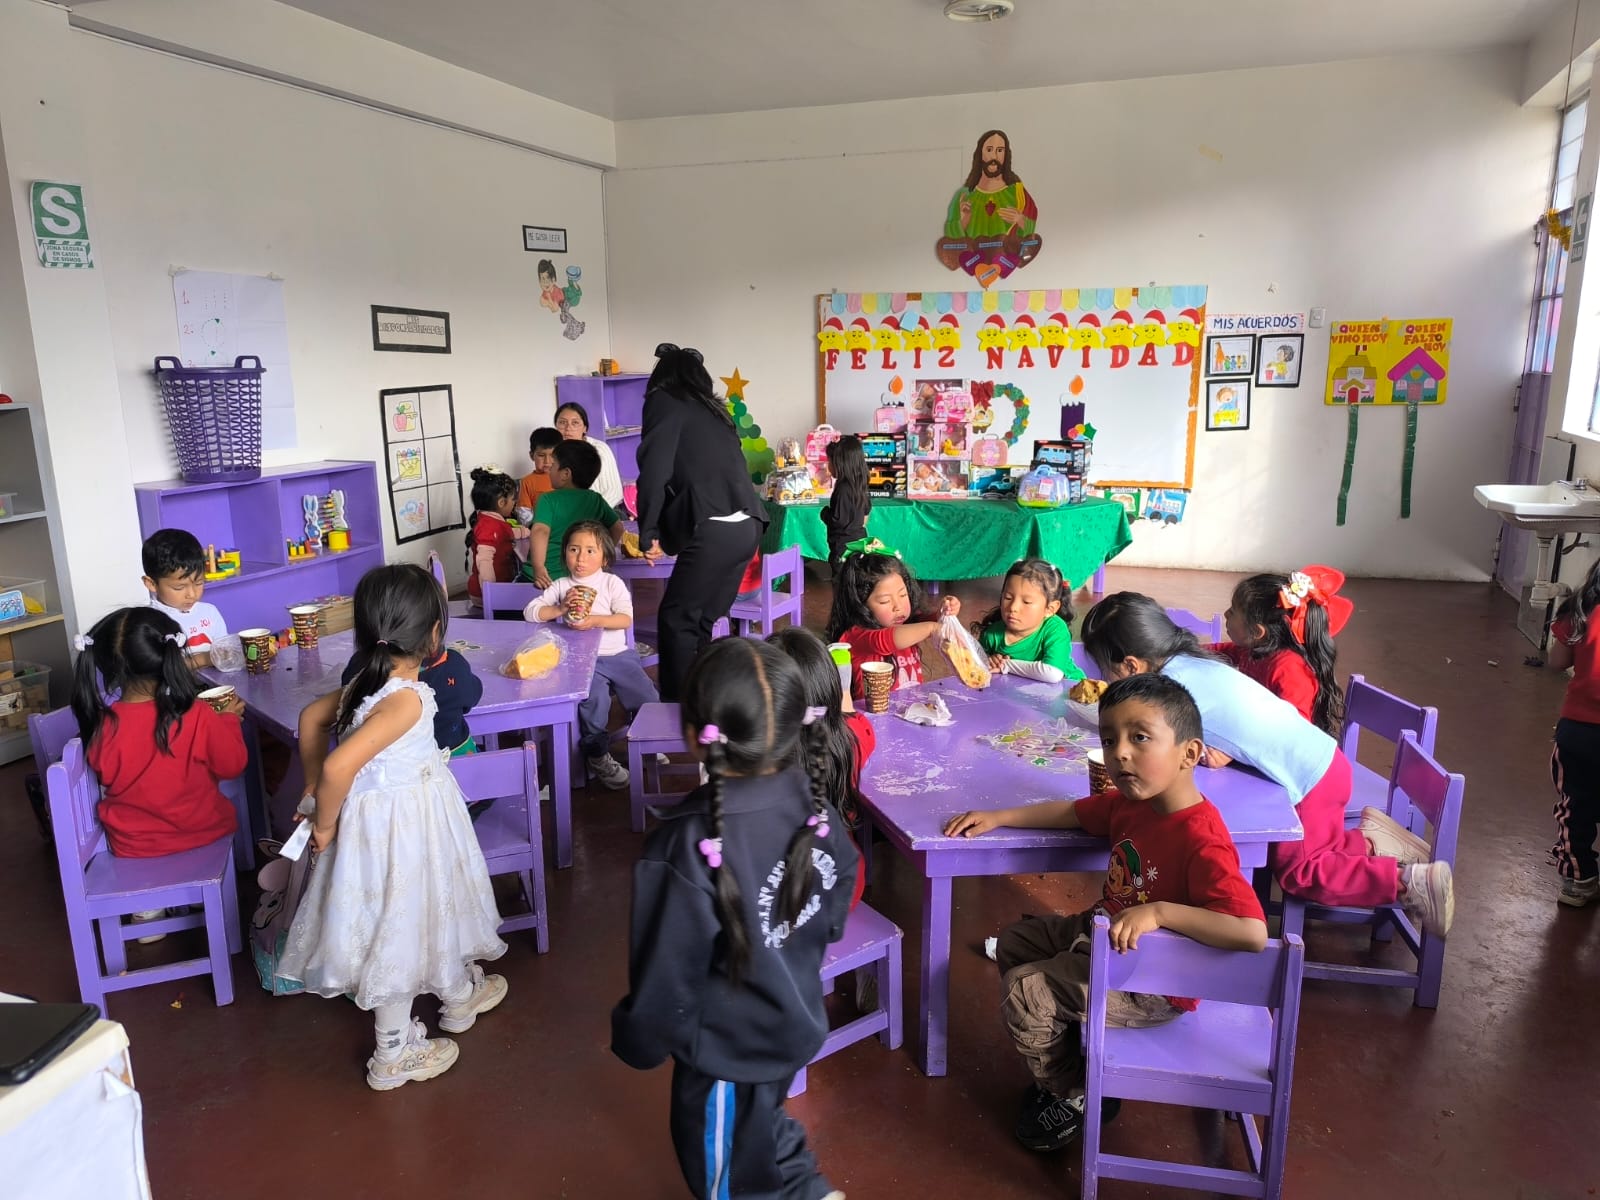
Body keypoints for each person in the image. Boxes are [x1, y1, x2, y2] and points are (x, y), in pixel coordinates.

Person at [944, 674, 1268, 1152]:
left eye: (1140, 737)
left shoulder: (1202, 838)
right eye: (1110, 739)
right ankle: (1071, 1048)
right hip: (1108, 936)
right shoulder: (1135, 803)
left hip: (1155, 983)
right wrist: (999, 817)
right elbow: (1074, 813)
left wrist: (1161, 912)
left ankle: (1074, 1091)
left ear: (1189, 753)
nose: (1120, 753)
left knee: (1025, 991)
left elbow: (1251, 932)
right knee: (1015, 943)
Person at [611, 638, 856, 1200]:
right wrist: (799, 935)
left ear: (693, 735)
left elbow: (666, 978)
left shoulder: (684, 845)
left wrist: (638, 1039)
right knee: (760, 1124)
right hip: (792, 1020)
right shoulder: (814, 803)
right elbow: (841, 876)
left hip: (728, 1053)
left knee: (726, 1178)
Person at [1079, 592, 1453, 935]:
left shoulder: (1168, 694)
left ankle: (1409, 883)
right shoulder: (1191, 661)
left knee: (1301, 872)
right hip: (1323, 760)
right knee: (1317, 847)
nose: (1102, 678)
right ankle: (1371, 843)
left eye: (1104, 670)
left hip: (1308, 780)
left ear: (1131, 665)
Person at [280, 564, 508, 1092]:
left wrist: (312, 785)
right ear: (434, 634)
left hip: (407, 825)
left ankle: (457, 993)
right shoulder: (406, 699)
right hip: (402, 834)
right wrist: (323, 821)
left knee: (430, 908)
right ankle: (393, 1052)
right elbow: (341, 765)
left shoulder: (366, 684)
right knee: (400, 927)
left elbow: (310, 721)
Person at [72, 607, 247, 941]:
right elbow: (232, 765)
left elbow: (105, 771)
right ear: (170, 657)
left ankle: (149, 911)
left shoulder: (103, 725)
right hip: (201, 833)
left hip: (133, 844)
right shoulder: (196, 714)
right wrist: (227, 721)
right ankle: (194, 897)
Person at [635, 343, 769, 702]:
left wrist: (648, 532)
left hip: (715, 527)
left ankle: (677, 711)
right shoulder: (714, 410)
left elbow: (655, 471)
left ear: (661, 378)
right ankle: (703, 700)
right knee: (702, 619)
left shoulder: (664, 400)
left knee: (677, 619)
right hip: (747, 525)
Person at [527, 520, 658, 790]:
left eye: (590, 551)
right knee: (594, 703)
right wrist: (559, 609)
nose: (581, 558)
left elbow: (625, 619)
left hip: (619, 656)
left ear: (605, 557)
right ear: (564, 553)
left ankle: (648, 743)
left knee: (646, 696)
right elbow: (530, 612)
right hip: (583, 661)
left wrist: (594, 620)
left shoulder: (611, 583)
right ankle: (598, 756)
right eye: (574, 549)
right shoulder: (561, 586)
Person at [768, 626, 872, 911]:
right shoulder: (849, 740)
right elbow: (864, 730)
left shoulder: (753, 758)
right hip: (839, 888)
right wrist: (845, 698)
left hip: (769, 896)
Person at [1215, 566, 1351, 735]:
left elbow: (1295, 732)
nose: (1226, 614)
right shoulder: (1255, 648)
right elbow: (1224, 650)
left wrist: (1237, 746)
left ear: (1257, 632)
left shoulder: (1289, 670)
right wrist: (1188, 649)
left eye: (1232, 611)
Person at [825, 543, 958, 698]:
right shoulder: (856, 636)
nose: (898, 607)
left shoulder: (906, 625)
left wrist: (943, 613)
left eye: (903, 595)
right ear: (860, 605)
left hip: (912, 709)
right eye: (885, 601)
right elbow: (885, 640)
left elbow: (923, 624)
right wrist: (931, 628)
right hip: (872, 713)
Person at [1546, 555, 1600, 907]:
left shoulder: (1581, 609)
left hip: (1579, 733)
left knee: (1575, 807)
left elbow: (1557, 662)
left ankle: (1579, 882)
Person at [939, 129, 1041, 285]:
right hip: (971, 268)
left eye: (1000, 150)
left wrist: (1020, 220)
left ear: (1006, 155)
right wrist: (963, 221)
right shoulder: (964, 195)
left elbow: (1031, 229)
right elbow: (950, 234)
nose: (994, 156)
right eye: (989, 150)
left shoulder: (1018, 193)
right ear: (980, 154)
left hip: (1007, 267)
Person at [529, 440, 626, 589]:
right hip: (581, 578)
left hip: (546, 578)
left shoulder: (548, 499)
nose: (549, 469)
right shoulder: (596, 500)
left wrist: (539, 567)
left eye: (553, 465)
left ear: (565, 474)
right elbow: (618, 528)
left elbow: (540, 531)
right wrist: (600, 559)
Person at [973, 557, 1085, 683]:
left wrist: (1006, 665)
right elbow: (975, 663)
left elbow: (1053, 673)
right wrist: (990, 660)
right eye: (1008, 598)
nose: (1013, 607)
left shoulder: (1055, 629)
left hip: (1071, 691)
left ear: (1050, 609)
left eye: (1026, 602)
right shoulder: (992, 635)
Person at [141, 528, 227, 667]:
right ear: (151, 584)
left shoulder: (210, 612)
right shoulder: (148, 623)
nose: (192, 594)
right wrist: (205, 659)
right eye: (179, 588)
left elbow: (224, 652)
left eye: (199, 583)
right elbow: (159, 669)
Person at [465, 466, 521, 607]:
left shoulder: (489, 520)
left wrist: (525, 532)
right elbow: (484, 562)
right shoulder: (489, 527)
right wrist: (491, 593)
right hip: (487, 595)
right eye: (513, 499)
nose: (515, 503)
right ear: (501, 502)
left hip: (490, 591)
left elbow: (505, 534)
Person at [554, 400, 623, 508]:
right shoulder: (553, 453)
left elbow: (614, 492)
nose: (568, 428)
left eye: (575, 423)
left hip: (603, 510)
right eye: (562, 422)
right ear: (556, 426)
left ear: (585, 428)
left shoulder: (599, 449)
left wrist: (589, 512)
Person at [821, 435, 871, 570]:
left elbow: (837, 521)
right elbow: (865, 516)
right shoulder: (860, 485)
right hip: (860, 543)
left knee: (842, 578)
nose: (828, 466)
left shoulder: (843, 489)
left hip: (843, 548)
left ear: (840, 463)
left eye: (830, 461)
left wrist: (824, 513)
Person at [539, 259, 586, 342]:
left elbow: (555, 308)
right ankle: (578, 326)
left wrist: (550, 299)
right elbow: (552, 307)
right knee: (566, 311)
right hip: (565, 299)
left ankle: (578, 327)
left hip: (568, 296)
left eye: (548, 278)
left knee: (573, 291)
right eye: (542, 279)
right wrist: (549, 299)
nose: (545, 282)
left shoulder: (551, 292)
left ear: (554, 279)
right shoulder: (544, 296)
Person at [518, 426, 562, 514]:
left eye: (552, 456)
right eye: (541, 455)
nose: (547, 461)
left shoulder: (565, 478)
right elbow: (524, 511)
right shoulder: (527, 481)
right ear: (532, 455)